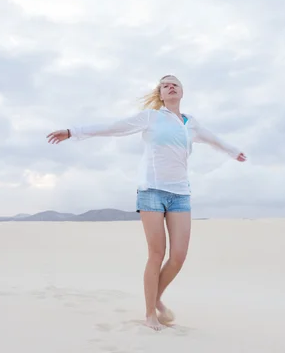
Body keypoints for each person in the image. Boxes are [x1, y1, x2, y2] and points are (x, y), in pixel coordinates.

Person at [46, 75, 247, 331]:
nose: (171, 86)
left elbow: (214, 139)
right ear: (161, 94)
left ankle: (157, 297)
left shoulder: (191, 124)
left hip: (180, 194)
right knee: (156, 253)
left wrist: (233, 151)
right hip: (151, 191)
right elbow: (114, 127)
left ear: (182, 92)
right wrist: (73, 132)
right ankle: (150, 313)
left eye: (175, 83)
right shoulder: (151, 117)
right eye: (165, 85)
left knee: (178, 257)